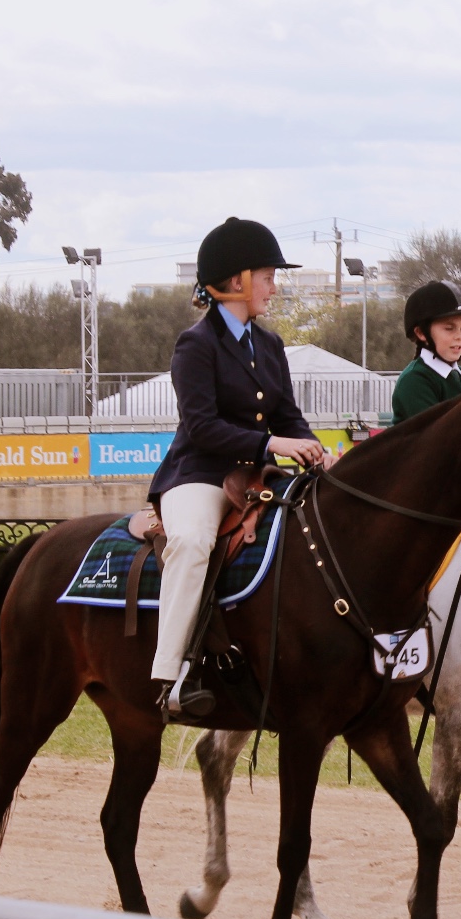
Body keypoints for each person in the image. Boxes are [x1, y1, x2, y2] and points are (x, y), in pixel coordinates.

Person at [146, 217, 330, 720]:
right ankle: (170, 676)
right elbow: (202, 427)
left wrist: (317, 449)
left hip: (257, 478)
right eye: (268, 275)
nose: (275, 286)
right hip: (199, 475)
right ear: (235, 282)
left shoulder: (269, 345)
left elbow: (288, 415)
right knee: (191, 543)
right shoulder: (196, 344)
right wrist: (274, 442)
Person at [392, 281, 461, 424]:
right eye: (449, 328)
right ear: (421, 332)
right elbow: (437, 440)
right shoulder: (414, 382)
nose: (459, 336)